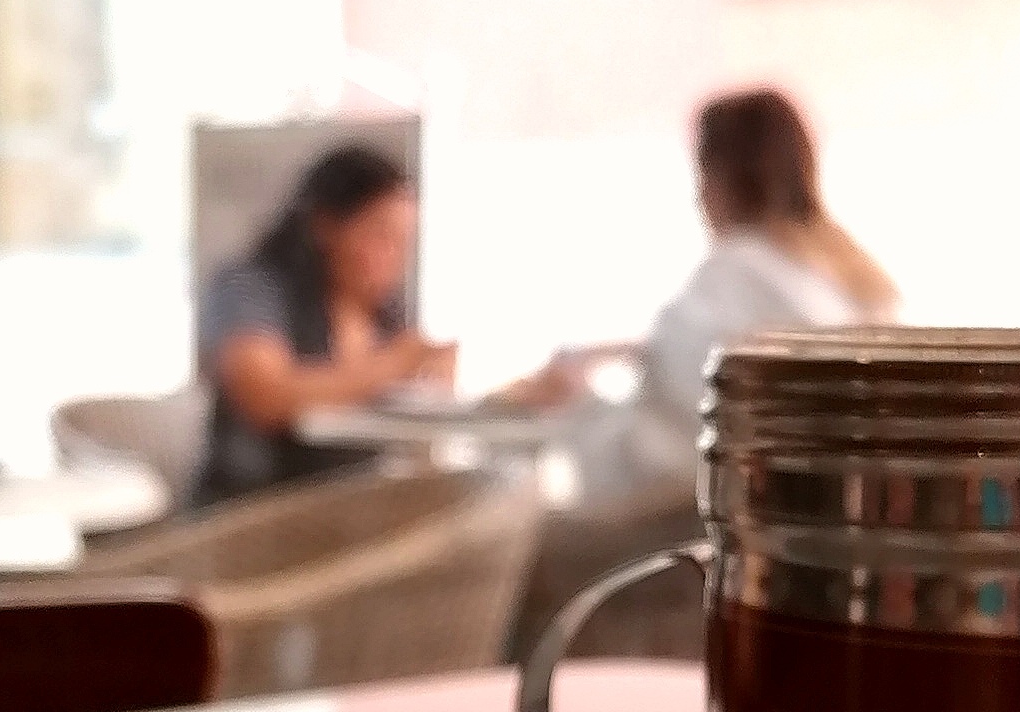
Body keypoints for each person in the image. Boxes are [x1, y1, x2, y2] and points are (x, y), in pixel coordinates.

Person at [538, 89, 896, 492]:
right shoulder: (847, 274)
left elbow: (663, 456)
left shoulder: (731, 275)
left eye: (700, 173)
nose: (697, 196)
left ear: (718, 178)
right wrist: (636, 351)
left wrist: (579, 403)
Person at [195, 144, 453, 503]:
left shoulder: (384, 313)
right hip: (256, 509)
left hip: (352, 507)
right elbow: (263, 394)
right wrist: (392, 366)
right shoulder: (251, 288)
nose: (395, 258)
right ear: (326, 226)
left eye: (403, 242)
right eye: (381, 236)